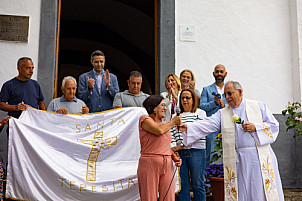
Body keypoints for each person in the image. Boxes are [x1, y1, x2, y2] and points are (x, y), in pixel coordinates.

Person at [179, 81, 284, 201]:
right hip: (238, 160)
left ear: (239, 92)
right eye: (225, 94)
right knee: (242, 191)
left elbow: (274, 125)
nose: (227, 97)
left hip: (258, 158)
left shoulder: (258, 106)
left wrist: (256, 127)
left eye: (230, 93)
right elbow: (208, 124)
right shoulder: (223, 113)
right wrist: (188, 127)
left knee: (260, 190)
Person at [137, 95, 182, 201]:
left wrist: (173, 156)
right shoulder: (144, 120)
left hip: (167, 163)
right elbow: (158, 131)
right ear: (153, 108)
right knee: (149, 197)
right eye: (162, 105)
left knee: (169, 197)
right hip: (149, 163)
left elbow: (164, 144)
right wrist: (173, 122)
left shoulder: (165, 124)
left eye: (165, 106)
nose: (165, 108)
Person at [170, 89, 207, 201]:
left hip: (197, 152)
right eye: (182, 98)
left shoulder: (200, 113)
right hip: (179, 153)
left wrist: (182, 145)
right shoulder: (175, 116)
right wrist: (174, 149)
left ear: (193, 99)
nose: (185, 100)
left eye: (188, 98)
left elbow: (199, 131)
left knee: (197, 184)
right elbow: (171, 133)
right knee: (183, 185)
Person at [199, 64, 228, 177]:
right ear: (213, 74)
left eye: (221, 72)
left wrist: (223, 104)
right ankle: (208, 183)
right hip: (212, 127)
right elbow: (201, 107)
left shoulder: (229, 89)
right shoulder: (207, 89)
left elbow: (235, 105)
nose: (219, 74)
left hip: (226, 125)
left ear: (225, 74)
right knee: (210, 154)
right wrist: (214, 103)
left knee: (227, 153)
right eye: (217, 71)